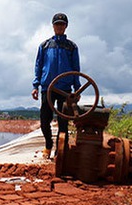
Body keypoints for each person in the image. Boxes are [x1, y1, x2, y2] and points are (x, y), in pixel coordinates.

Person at [32, 12, 81, 159]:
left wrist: (77, 88)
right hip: (48, 88)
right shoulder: (45, 46)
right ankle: (48, 145)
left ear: (65, 26)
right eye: (57, 24)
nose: (59, 26)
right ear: (53, 26)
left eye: (62, 24)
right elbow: (38, 66)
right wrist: (35, 85)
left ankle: (61, 150)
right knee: (44, 120)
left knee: (63, 121)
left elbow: (75, 68)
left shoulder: (71, 47)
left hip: (65, 89)